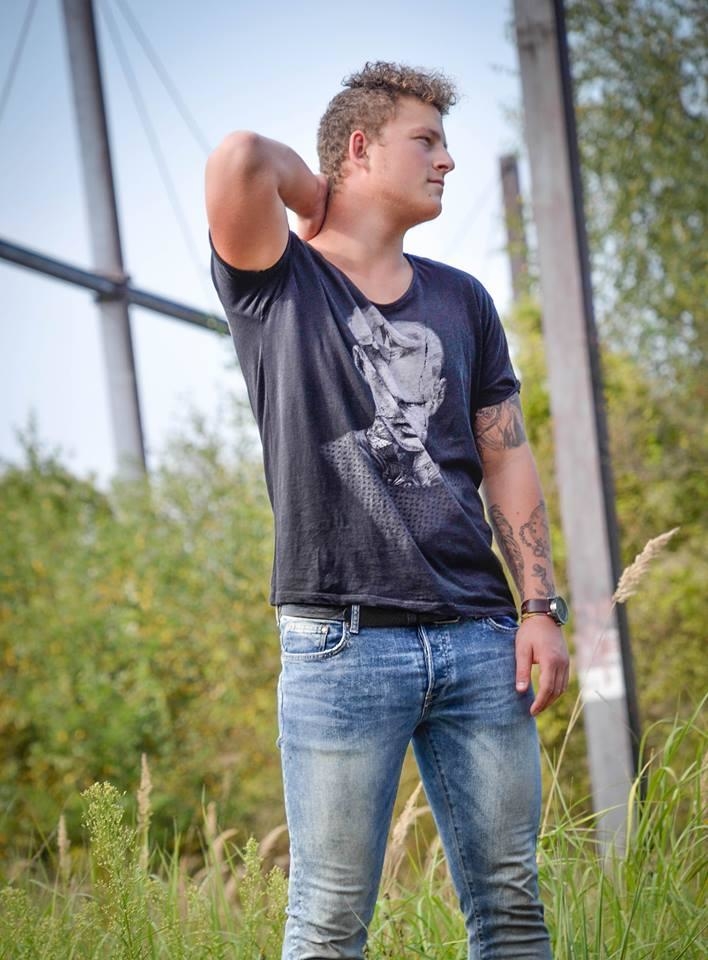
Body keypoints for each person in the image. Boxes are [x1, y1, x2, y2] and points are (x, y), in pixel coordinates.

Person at [206, 61, 570, 960]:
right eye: (427, 140)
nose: (448, 160)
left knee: (513, 908)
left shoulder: (461, 299)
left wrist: (538, 606)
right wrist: (315, 200)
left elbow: (505, 454)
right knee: (329, 923)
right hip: (341, 640)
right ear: (361, 148)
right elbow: (241, 156)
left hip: (479, 635)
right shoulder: (278, 281)